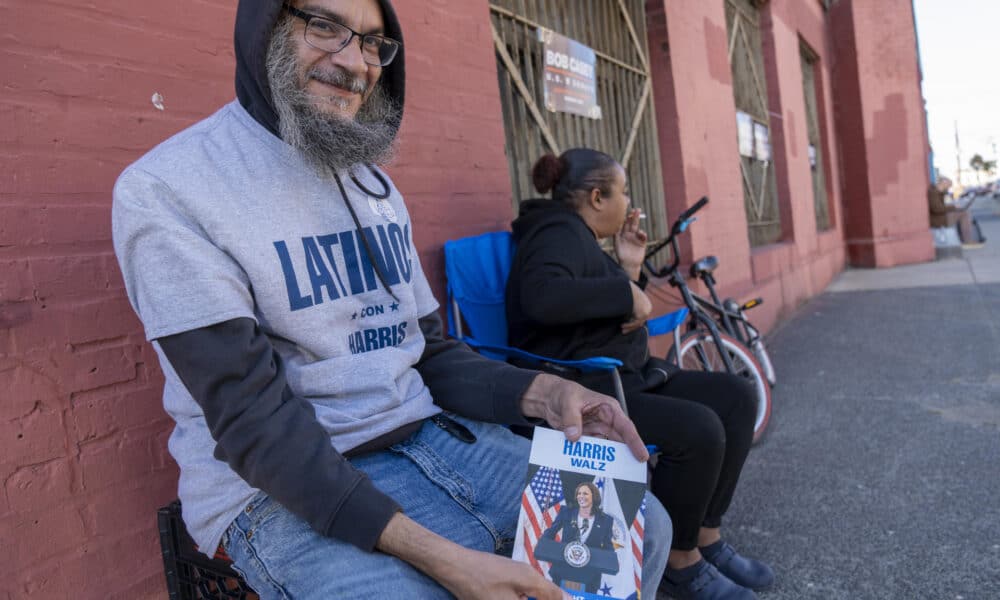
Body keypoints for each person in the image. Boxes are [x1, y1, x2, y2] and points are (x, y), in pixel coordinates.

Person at [111, 2, 673, 598]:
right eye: (324, 26)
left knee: (642, 524)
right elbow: (254, 424)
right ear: (264, 29)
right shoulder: (171, 188)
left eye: (374, 43)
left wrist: (545, 391)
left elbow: (425, 349)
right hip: (275, 491)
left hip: (431, 438)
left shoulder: (372, 183)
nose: (356, 62)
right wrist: (445, 560)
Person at [506, 149, 775, 600]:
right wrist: (625, 293)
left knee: (737, 397)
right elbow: (541, 297)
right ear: (596, 197)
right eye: (622, 191)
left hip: (626, 375)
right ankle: (678, 562)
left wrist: (629, 269)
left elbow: (599, 312)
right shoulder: (553, 232)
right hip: (584, 388)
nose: (627, 201)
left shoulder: (578, 235)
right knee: (698, 429)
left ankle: (704, 536)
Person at [541, 482, 618, 594]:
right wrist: (542, 543)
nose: (581, 496)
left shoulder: (605, 520)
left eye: (585, 493)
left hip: (590, 576)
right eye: (579, 493)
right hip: (562, 570)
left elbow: (607, 545)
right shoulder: (566, 512)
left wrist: (611, 559)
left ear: (594, 496)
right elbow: (551, 531)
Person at [928, 177, 985, 246]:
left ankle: (966, 238)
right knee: (964, 213)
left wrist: (953, 205)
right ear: (943, 183)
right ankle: (967, 240)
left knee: (963, 211)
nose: (949, 188)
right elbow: (937, 209)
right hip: (938, 219)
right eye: (948, 186)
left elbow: (945, 204)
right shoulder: (933, 192)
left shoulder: (940, 192)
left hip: (942, 216)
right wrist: (953, 207)